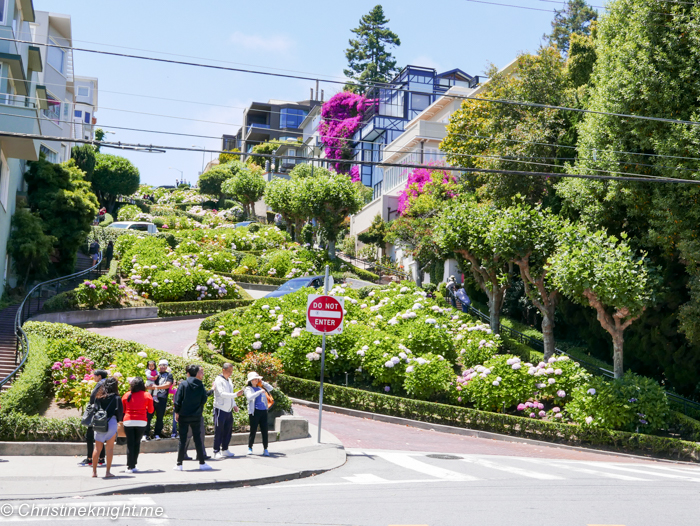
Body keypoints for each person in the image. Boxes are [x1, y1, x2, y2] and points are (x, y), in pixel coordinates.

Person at [173, 365, 212, 471]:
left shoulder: (184, 384)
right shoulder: (200, 384)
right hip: (196, 415)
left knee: (182, 439)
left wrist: (177, 411)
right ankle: (202, 463)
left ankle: (179, 464)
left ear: (188, 373)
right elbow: (204, 399)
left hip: (184, 415)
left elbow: (178, 400)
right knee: (198, 439)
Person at [121, 377, 154, 474]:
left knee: (130, 444)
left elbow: (123, 410)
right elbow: (151, 410)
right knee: (137, 443)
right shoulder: (147, 395)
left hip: (128, 421)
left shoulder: (127, 395)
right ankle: (134, 465)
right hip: (141, 421)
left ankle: (129, 466)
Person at [92, 377, 123, 479]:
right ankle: (108, 472)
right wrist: (120, 421)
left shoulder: (99, 397)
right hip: (111, 422)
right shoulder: (117, 398)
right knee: (109, 449)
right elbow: (119, 412)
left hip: (99, 423)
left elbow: (94, 409)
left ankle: (94, 472)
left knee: (97, 448)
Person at [212, 363, 241, 459]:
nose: (230, 373)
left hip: (228, 410)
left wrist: (234, 405)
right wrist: (235, 395)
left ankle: (225, 449)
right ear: (223, 370)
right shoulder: (218, 380)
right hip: (220, 408)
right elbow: (222, 394)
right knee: (219, 430)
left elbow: (231, 394)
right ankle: (216, 451)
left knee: (228, 431)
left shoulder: (229, 380)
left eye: (232, 371)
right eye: (229, 371)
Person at [81, 369, 108, 467]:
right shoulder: (107, 383)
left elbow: (93, 397)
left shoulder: (100, 383)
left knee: (90, 436)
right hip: (103, 413)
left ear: (99, 376)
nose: (93, 377)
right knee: (100, 435)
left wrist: (90, 407)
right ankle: (101, 458)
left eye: (95, 375)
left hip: (96, 413)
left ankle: (89, 458)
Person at [244, 372, 274, 457]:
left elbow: (271, 388)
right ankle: (250, 448)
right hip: (255, 412)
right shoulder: (248, 389)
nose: (256, 380)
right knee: (253, 431)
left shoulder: (261, 387)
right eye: (254, 379)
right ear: (250, 380)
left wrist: (262, 382)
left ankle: (265, 449)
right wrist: (259, 392)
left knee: (265, 431)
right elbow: (249, 397)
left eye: (257, 379)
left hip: (263, 411)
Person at [146, 359, 173, 440]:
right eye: (161, 365)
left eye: (165, 365)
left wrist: (156, 387)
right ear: (158, 366)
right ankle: (146, 434)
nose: (163, 367)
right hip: (151, 398)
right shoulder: (154, 373)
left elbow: (167, 385)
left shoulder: (169, 375)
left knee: (160, 417)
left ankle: (157, 434)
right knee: (148, 416)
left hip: (162, 398)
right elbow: (148, 383)